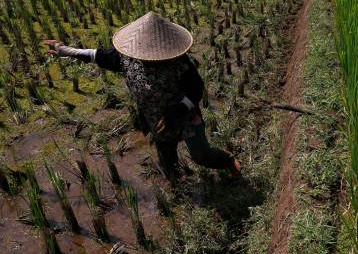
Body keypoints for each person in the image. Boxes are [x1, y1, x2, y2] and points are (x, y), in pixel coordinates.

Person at [43, 11, 241, 183]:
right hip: (155, 119)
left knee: (201, 155)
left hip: (185, 114)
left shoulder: (179, 62)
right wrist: (67, 51)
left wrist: (178, 111)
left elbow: (196, 88)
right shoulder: (127, 58)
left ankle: (228, 159)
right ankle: (176, 186)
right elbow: (99, 55)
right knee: (167, 160)